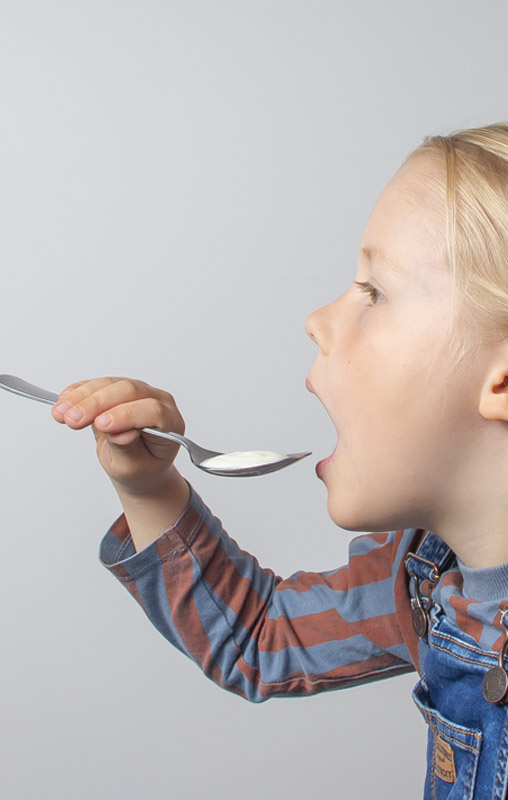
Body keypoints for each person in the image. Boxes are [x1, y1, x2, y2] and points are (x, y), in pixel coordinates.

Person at [52, 122, 508, 798]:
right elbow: (259, 639)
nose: (315, 320)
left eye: (374, 292)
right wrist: (149, 487)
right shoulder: (422, 575)